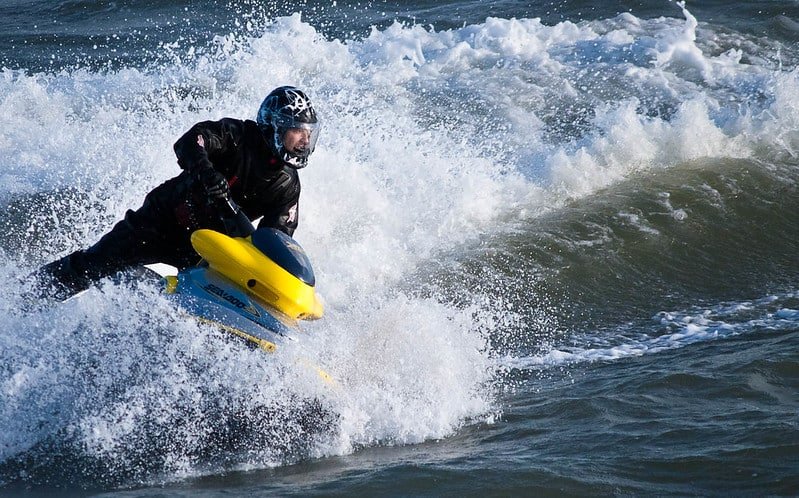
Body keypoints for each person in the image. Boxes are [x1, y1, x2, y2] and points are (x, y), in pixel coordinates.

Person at [32, 86, 320, 302]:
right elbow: (190, 142)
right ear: (273, 126)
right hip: (161, 222)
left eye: (308, 133)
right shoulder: (236, 135)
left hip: (208, 250)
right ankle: (24, 298)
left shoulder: (287, 186)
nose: (304, 140)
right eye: (296, 130)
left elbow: (273, 243)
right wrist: (208, 174)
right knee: (95, 264)